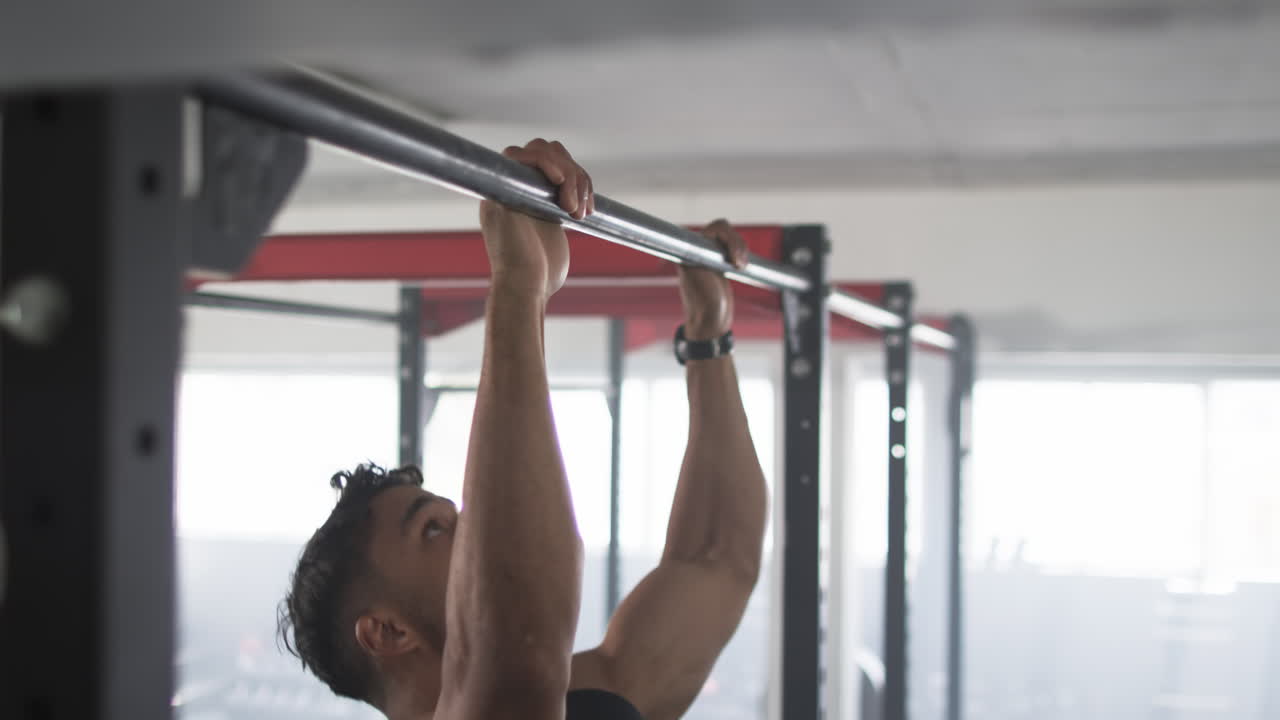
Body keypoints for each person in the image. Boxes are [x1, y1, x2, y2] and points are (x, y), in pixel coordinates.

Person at [278, 139, 769, 720]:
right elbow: (517, 640)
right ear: (387, 632)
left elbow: (716, 560)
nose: (472, 528)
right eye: (434, 530)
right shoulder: (510, 684)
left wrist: (709, 338)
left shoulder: (587, 692)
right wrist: (518, 283)